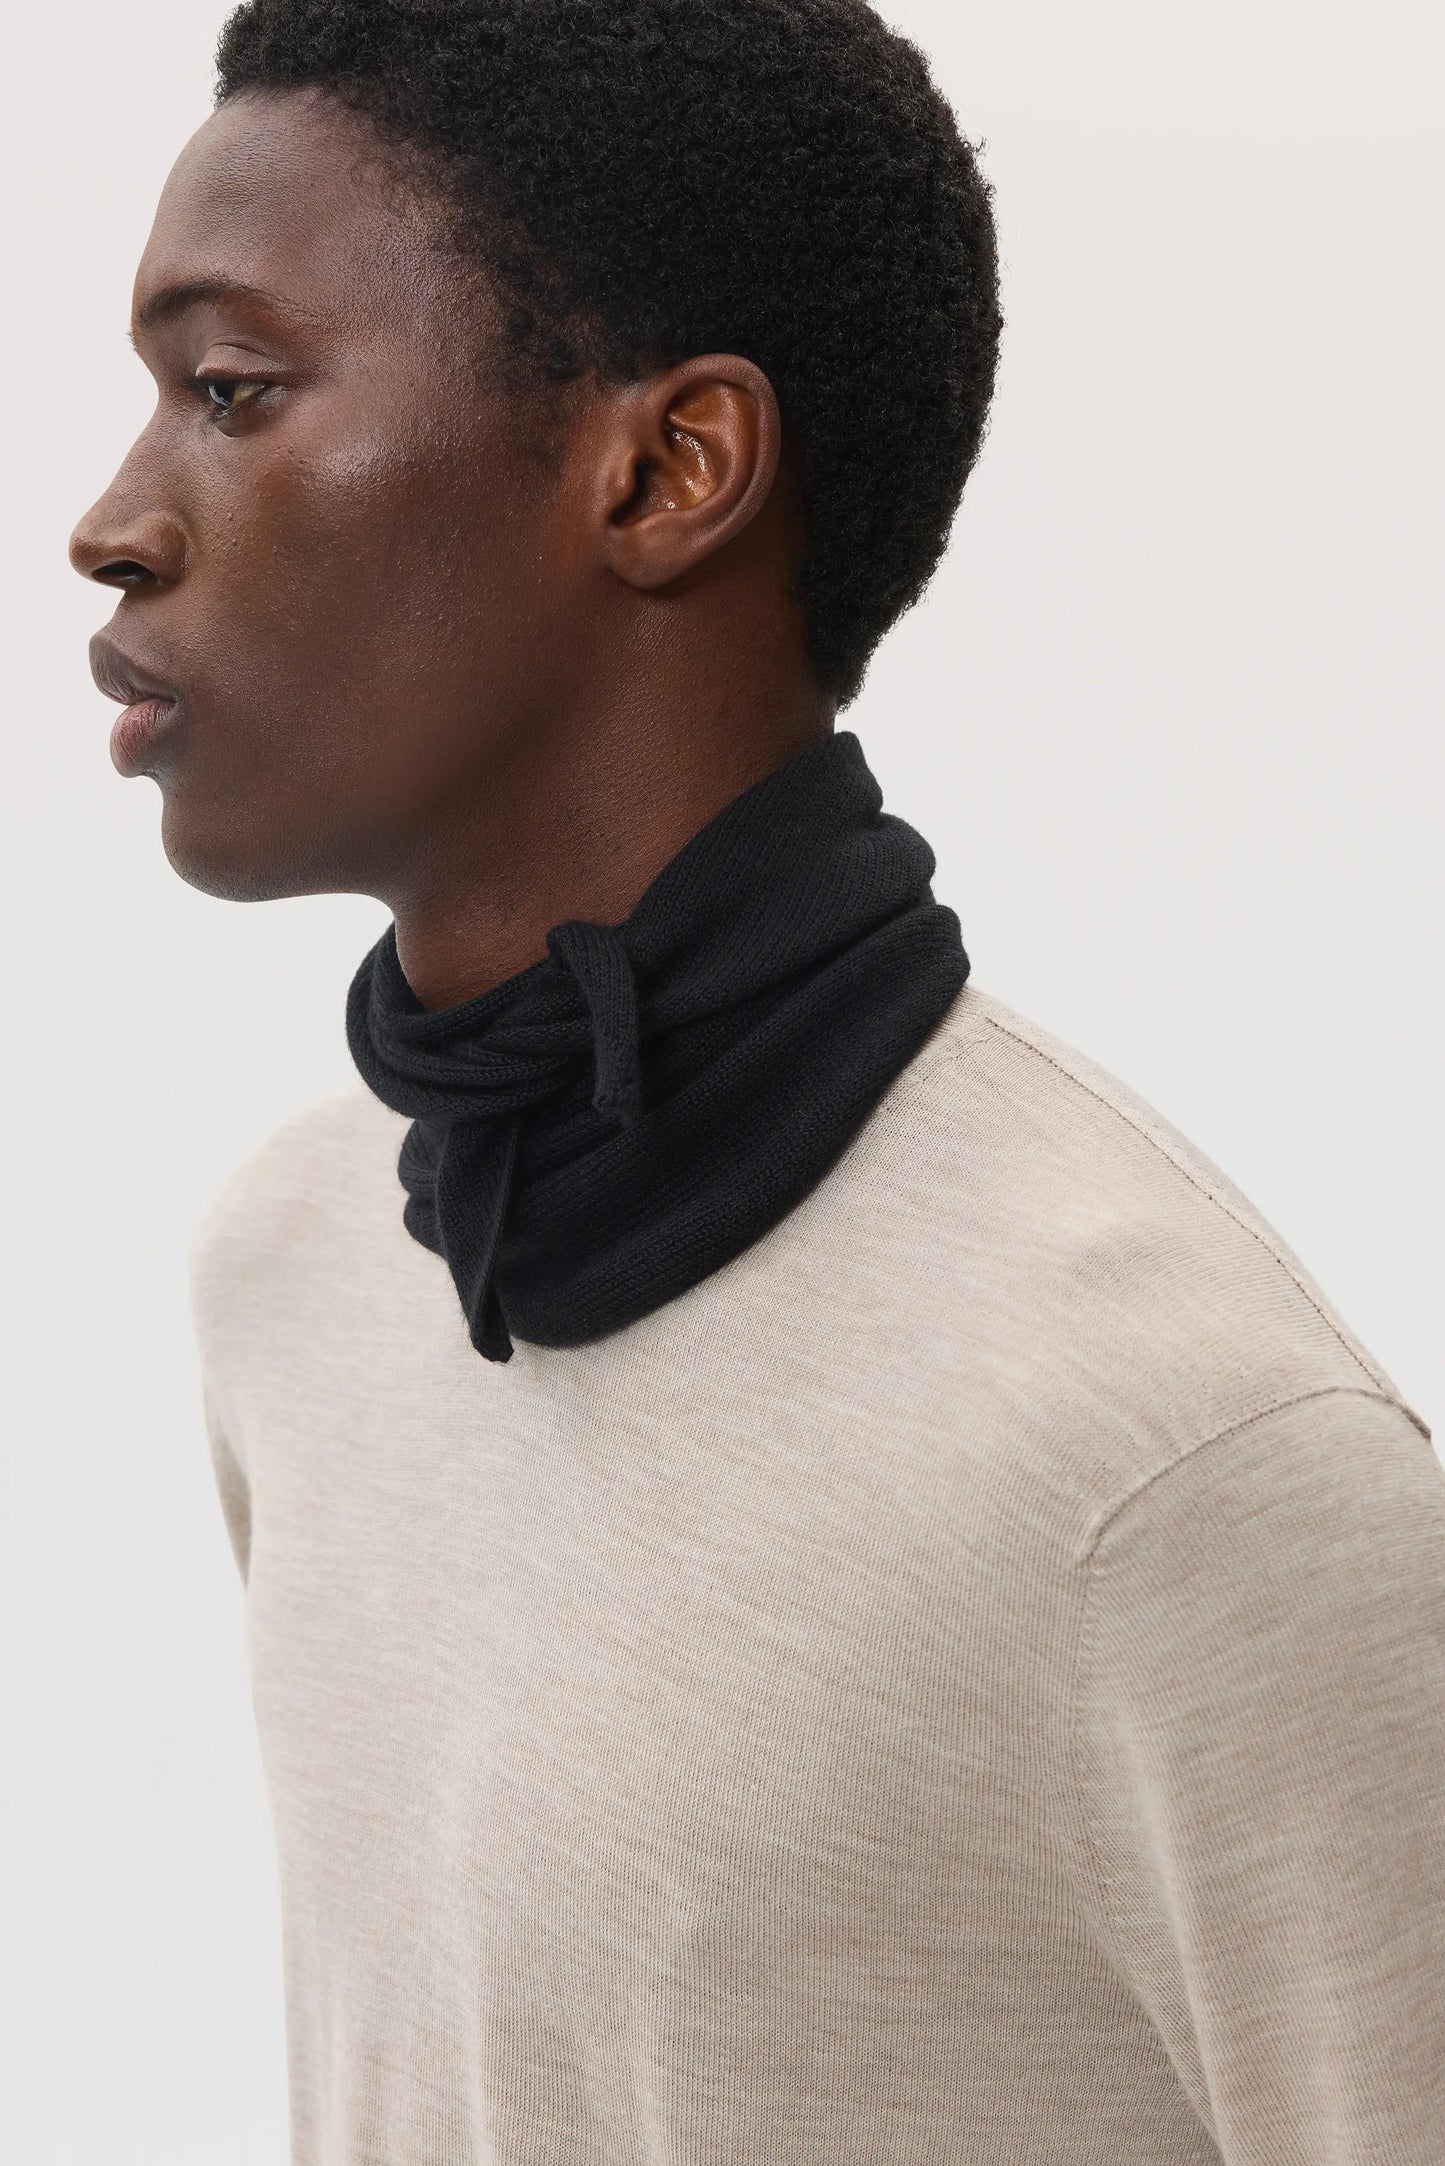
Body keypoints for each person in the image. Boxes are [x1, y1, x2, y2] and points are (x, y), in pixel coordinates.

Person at [69, 2, 1444, 2161]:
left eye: (233, 390)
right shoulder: (302, 1268)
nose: (113, 523)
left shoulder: (1185, 1475)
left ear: (666, 470)